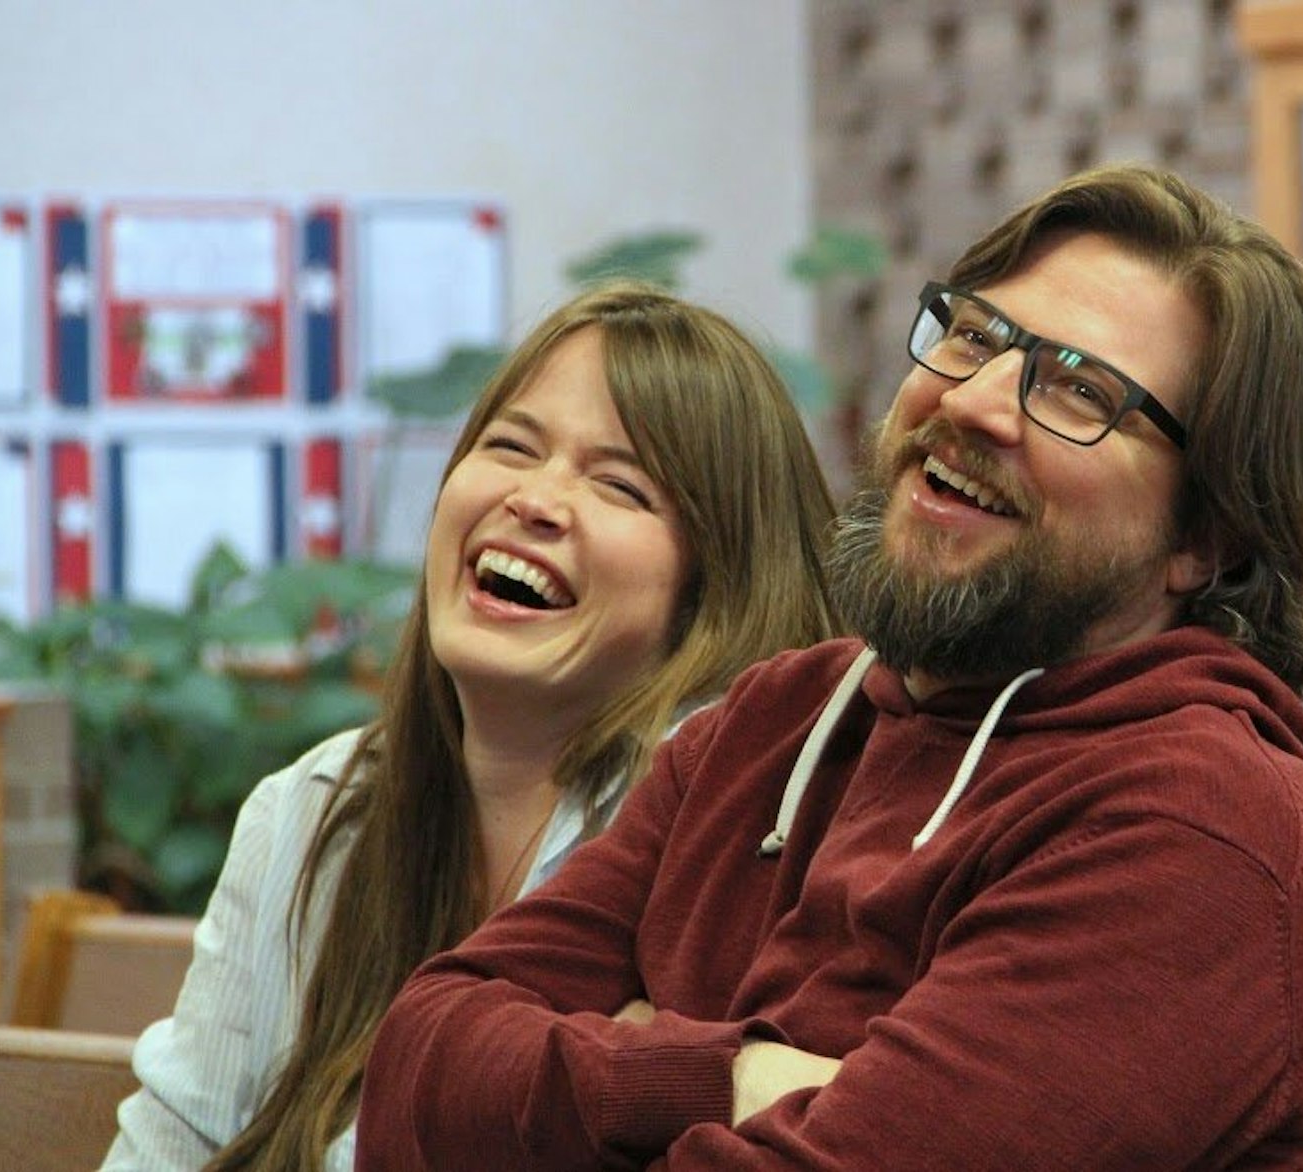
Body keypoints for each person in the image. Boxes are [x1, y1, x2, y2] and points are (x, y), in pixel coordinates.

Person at [355, 164, 1303, 1170]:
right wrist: (726, 1075)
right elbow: (416, 1068)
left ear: (1205, 538)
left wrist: (600, 1058)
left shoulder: (1189, 826)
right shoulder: (776, 717)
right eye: (975, 335)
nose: (974, 403)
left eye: (1078, 390)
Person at [100, 280, 843, 1172]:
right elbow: (176, 1145)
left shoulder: (738, 846)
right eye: (510, 446)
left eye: (619, 484)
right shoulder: (312, 807)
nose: (535, 498)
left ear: (720, 584)